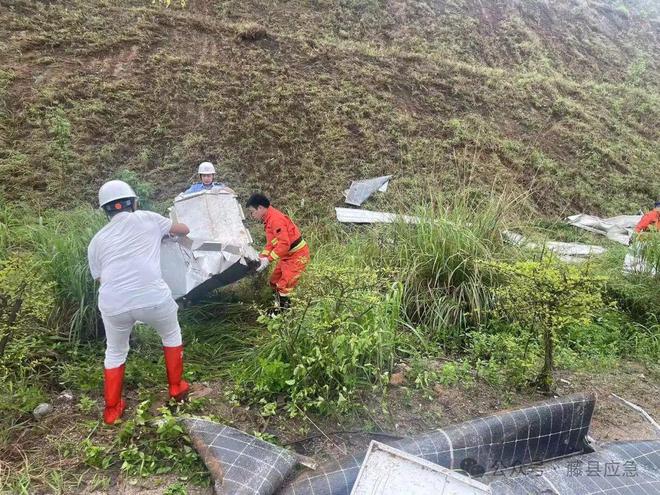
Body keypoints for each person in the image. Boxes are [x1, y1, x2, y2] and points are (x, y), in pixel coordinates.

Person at [88, 180, 191, 425]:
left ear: (106, 210)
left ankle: (112, 411)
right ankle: (176, 389)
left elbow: (101, 278)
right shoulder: (147, 218)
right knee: (171, 334)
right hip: (152, 297)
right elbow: (183, 230)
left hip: (113, 304)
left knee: (114, 351)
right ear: (133, 202)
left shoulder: (96, 241)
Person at [245, 193, 310, 310]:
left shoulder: (275, 220)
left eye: (252, 211)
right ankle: (279, 304)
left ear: (260, 208)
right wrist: (261, 257)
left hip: (297, 256)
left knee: (284, 286)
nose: (251, 215)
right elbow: (271, 243)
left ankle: (281, 314)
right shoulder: (268, 218)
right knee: (274, 281)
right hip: (287, 256)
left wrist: (268, 260)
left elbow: (284, 245)